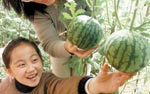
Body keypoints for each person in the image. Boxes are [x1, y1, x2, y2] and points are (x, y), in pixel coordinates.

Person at [0, 37, 135, 94]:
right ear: (9, 71)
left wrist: (94, 85)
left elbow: (65, 87)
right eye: (21, 64)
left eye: (34, 60)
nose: (31, 68)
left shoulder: (48, 82)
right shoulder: (4, 86)